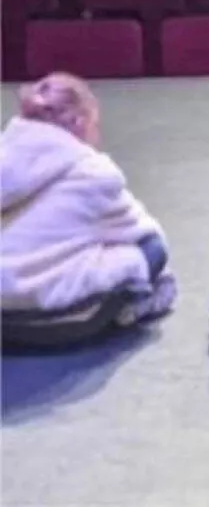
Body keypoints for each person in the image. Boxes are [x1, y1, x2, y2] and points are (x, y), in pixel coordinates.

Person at [0, 73, 174, 349]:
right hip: (52, 317)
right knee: (152, 251)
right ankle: (137, 303)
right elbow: (145, 232)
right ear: (80, 122)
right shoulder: (94, 172)